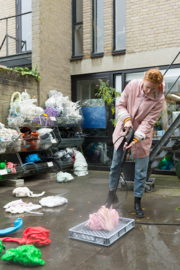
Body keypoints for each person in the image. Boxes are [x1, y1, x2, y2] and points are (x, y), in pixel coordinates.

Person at [104, 68, 165, 218]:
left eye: (152, 88)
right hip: (124, 130)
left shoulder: (159, 99)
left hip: (142, 135)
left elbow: (148, 121)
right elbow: (121, 105)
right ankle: (111, 195)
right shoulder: (132, 85)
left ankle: (137, 201)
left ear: (158, 86)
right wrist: (126, 121)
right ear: (143, 80)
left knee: (140, 171)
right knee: (115, 165)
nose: (149, 90)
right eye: (147, 86)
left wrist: (136, 138)